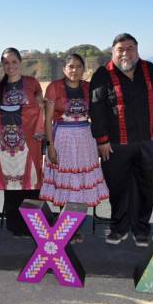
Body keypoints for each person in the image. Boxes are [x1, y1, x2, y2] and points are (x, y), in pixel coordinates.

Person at [90, 33, 153, 246]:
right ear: (113, 52)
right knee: (118, 187)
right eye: (120, 49)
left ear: (137, 49)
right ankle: (119, 228)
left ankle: (141, 229)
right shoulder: (102, 74)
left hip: (147, 141)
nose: (125, 53)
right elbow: (96, 108)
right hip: (114, 144)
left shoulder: (152, 70)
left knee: (147, 187)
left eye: (130, 48)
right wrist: (102, 140)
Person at [40, 53, 108, 243]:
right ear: (64, 69)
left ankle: (73, 227)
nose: (74, 70)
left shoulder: (88, 87)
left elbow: (97, 113)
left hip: (85, 139)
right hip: (62, 137)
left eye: (78, 66)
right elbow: (48, 119)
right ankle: (65, 228)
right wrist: (49, 146)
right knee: (66, 181)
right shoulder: (54, 87)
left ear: (84, 69)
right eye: (70, 66)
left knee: (80, 184)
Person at [0, 47, 44, 237]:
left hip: (30, 141)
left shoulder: (31, 82)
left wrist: (41, 130)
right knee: (12, 184)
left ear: (20, 62)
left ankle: (35, 225)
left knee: (31, 182)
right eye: (6, 62)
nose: (10, 65)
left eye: (14, 61)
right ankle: (15, 225)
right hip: (9, 142)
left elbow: (41, 107)